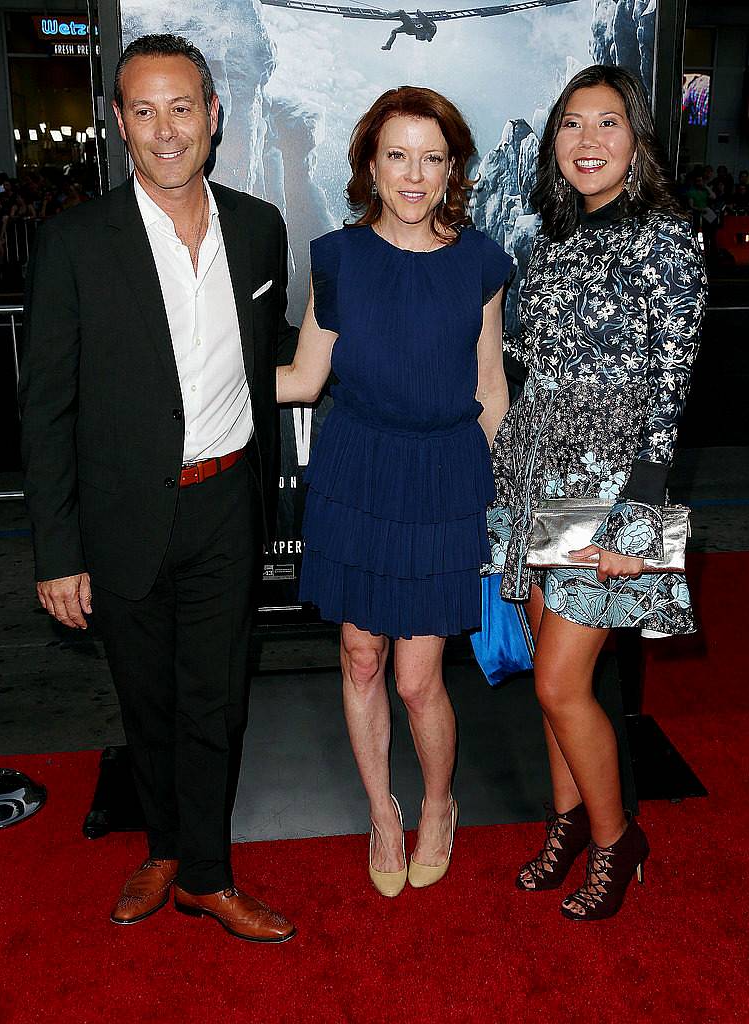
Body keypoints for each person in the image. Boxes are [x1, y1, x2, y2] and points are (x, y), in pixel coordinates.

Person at [19, 33, 297, 943]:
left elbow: (276, 354)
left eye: (183, 108)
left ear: (214, 118)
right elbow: (46, 411)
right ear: (119, 123)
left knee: (216, 698)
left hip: (226, 505)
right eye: (144, 110)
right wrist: (57, 552)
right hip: (123, 514)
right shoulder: (72, 244)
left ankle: (208, 875)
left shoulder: (259, 227)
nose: (166, 129)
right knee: (147, 699)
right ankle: (167, 849)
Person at [484, 65, 707, 921]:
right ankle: (568, 820)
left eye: (607, 124)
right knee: (548, 667)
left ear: (636, 139)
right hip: (537, 465)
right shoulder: (549, 241)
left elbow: (673, 381)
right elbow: (525, 369)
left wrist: (637, 514)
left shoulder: (666, 237)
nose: (586, 141)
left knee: (559, 683)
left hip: (614, 480)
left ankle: (619, 841)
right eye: (571, 125)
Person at [277, 86, 512, 897]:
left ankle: (439, 806)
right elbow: (305, 377)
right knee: (360, 655)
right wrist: (192, 376)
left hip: (445, 476)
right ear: (370, 167)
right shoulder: (337, 259)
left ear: (453, 171)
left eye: (433, 158)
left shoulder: (481, 262)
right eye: (398, 156)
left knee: (419, 680)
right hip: (359, 468)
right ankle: (383, 812)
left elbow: (491, 389)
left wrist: (505, 500)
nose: (415, 175)